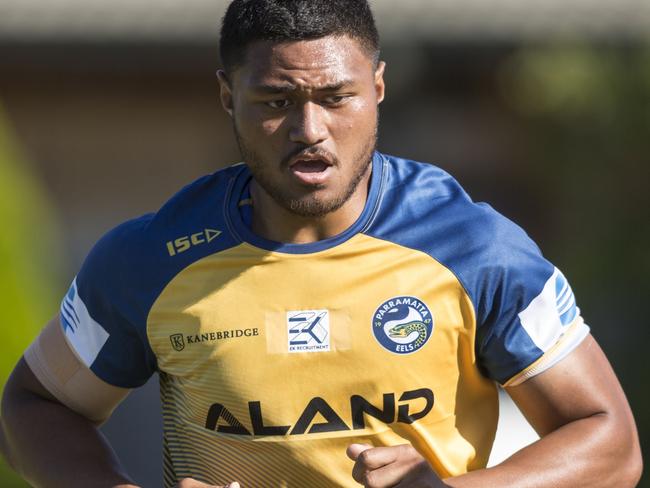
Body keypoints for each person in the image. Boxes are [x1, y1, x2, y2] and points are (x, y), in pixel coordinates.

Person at [0, 0, 642, 486]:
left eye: (338, 97)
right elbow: (34, 404)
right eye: (277, 100)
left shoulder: (476, 248)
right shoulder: (149, 258)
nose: (310, 130)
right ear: (228, 96)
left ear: (379, 87)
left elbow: (610, 442)